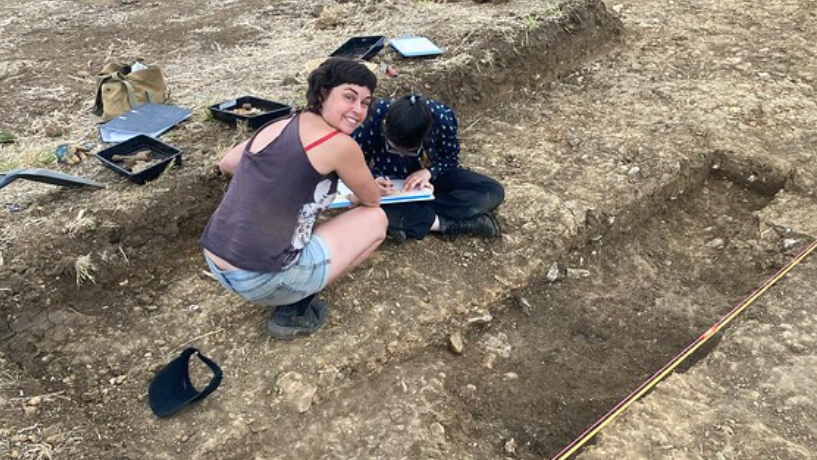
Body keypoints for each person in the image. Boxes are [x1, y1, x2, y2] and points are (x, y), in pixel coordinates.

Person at [200, 58, 387, 339]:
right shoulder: (340, 145)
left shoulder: (281, 124)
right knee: (376, 220)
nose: (358, 110)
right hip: (259, 279)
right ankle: (295, 308)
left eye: (365, 102)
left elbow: (228, 163)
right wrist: (367, 191)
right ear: (323, 93)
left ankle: (287, 289)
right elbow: (372, 200)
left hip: (216, 259)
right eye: (349, 97)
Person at [352, 94, 505, 243]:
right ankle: (449, 224)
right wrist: (372, 180)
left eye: (409, 151)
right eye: (393, 148)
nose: (401, 154)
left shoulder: (442, 117)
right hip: (388, 186)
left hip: (432, 181)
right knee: (370, 206)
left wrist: (429, 172)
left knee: (491, 190)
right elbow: (354, 159)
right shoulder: (374, 114)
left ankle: (408, 217)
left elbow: (450, 158)